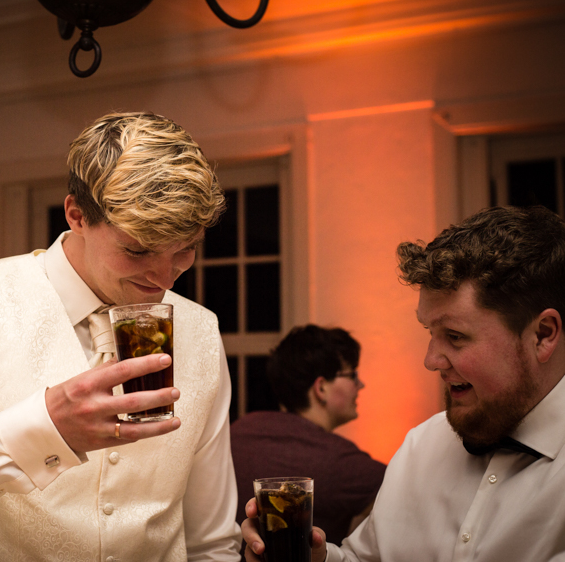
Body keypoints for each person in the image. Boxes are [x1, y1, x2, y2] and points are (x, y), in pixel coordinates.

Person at [0, 111, 242, 561]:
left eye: (185, 250)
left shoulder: (201, 330)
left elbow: (212, 544)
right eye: (137, 250)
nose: (165, 277)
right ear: (77, 215)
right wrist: (39, 431)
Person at [241, 205, 565, 561]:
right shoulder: (420, 447)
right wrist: (315, 558)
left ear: (543, 335)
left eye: (455, 336)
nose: (431, 360)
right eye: (430, 332)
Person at [230, 324, 385, 545]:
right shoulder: (337, 460)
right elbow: (409, 495)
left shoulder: (241, 428)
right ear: (321, 388)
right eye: (352, 374)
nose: (360, 384)